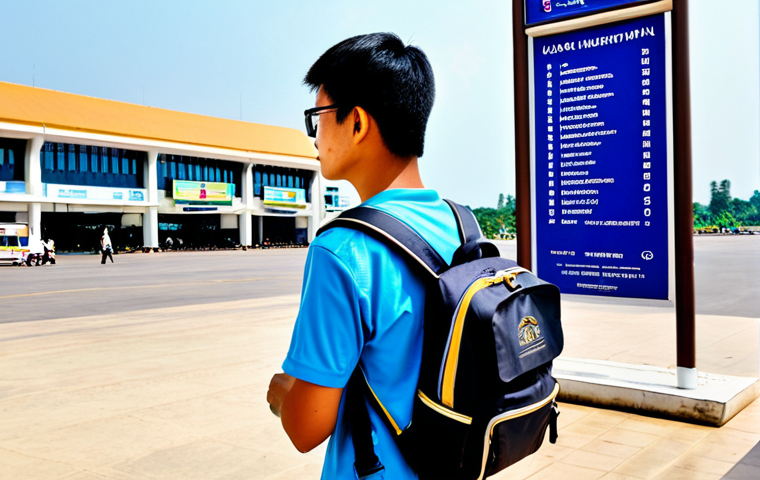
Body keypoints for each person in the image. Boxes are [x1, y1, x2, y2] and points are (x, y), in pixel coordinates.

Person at [266, 33, 461, 479]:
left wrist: (282, 395)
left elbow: (307, 428)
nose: (315, 137)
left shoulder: (341, 250)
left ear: (356, 123)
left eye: (318, 117)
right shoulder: (461, 226)